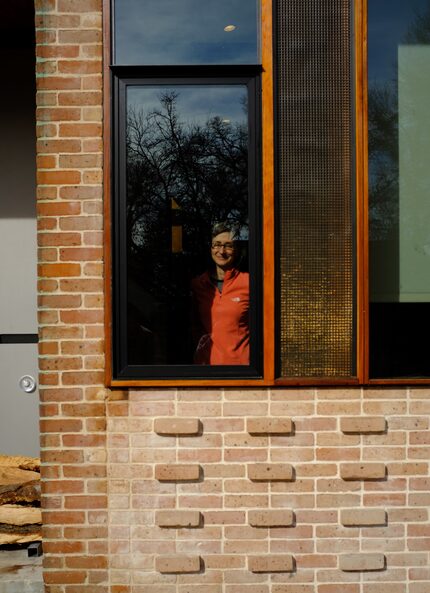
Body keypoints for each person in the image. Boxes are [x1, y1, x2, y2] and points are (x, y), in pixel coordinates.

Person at [191, 223, 250, 365]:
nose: (221, 251)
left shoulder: (248, 282)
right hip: (206, 368)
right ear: (210, 248)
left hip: (242, 369)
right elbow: (193, 327)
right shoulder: (198, 285)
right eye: (217, 244)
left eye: (228, 245)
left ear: (236, 250)